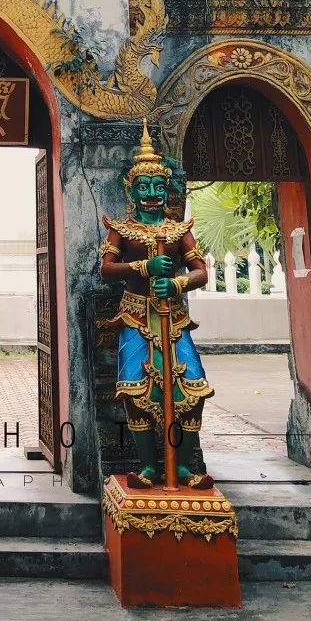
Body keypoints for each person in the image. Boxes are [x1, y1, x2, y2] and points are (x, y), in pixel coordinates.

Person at [100, 121, 214, 490]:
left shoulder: (179, 230)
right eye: (144, 186)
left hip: (174, 318)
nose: (152, 193)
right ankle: (149, 466)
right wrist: (142, 267)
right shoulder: (121, 228)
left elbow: (201, 271)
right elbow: (106, 269)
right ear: (131, 190)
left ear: (168, 190)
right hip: (136, 315)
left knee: (192, 387)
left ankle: (181, 466)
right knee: (134, 389)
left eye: (158, 186)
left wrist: (178, 282)